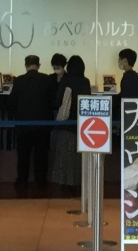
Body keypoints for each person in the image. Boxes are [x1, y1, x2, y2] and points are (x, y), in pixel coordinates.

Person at [9, 54, 55, 188]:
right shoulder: (47, 79)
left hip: (23, 124)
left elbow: (12, 102)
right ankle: (41, 182)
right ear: (38, 65)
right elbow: (53, 101)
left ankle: (22, 181)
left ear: (26, 65)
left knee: (23, 155)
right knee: (41, 155)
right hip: (43, 124)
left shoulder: (19, 80)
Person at [49, 55, 92, 188]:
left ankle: (64, 181)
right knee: (78, 154)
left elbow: (58, 101)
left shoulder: (66, 80)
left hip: (66, 122)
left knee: (65, 153)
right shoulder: (85, 81)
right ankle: (78, 180)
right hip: (82, 124)